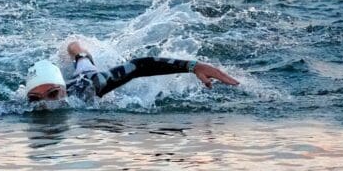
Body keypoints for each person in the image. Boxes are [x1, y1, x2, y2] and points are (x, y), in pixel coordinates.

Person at [25, 41, 239, 103]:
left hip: (84, 76)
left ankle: (76, 48)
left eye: (52, 94)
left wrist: (193, 66)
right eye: (36, 99)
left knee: (81, 58)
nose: (46, 104)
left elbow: (139, 66)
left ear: (61, 90)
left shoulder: (89, 87)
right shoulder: (19, 105)